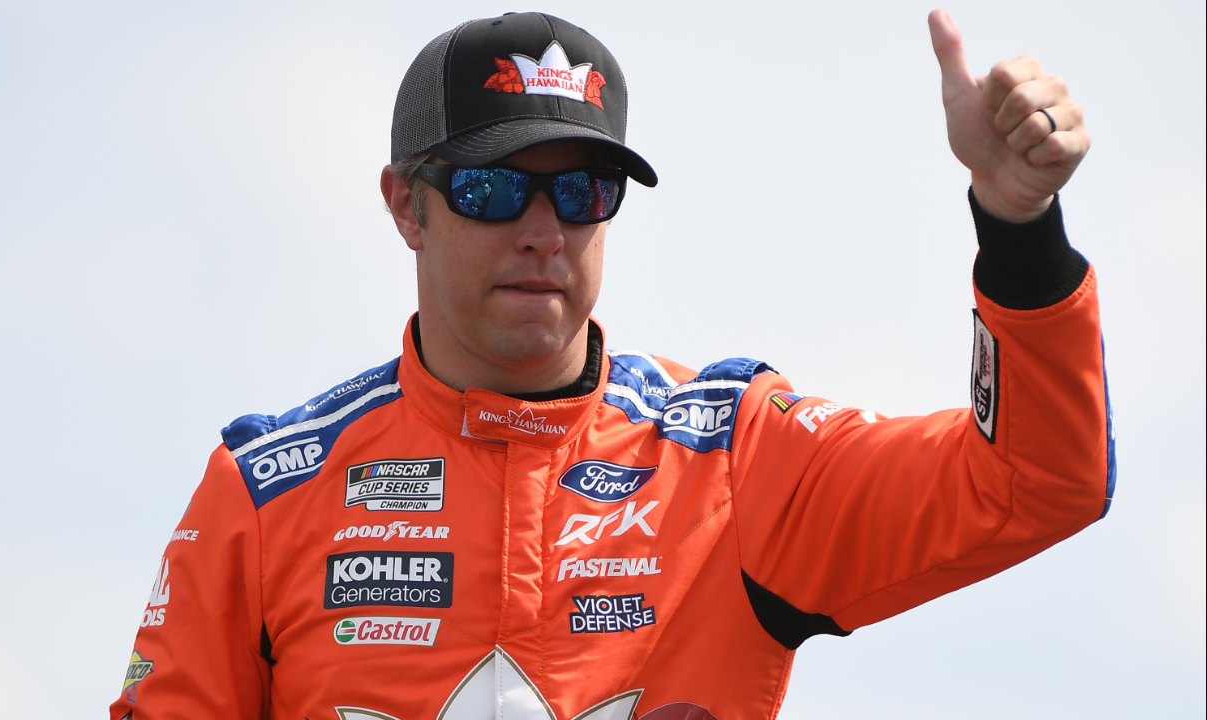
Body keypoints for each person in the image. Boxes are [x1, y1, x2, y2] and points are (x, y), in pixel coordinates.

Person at [110, 9, 1113, 719]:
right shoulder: (265, 493)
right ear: (406, 205)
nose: (543, 231)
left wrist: (1017, 225)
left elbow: (1037, 483)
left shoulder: (732, 458)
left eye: (583, 191)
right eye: (493, 189)